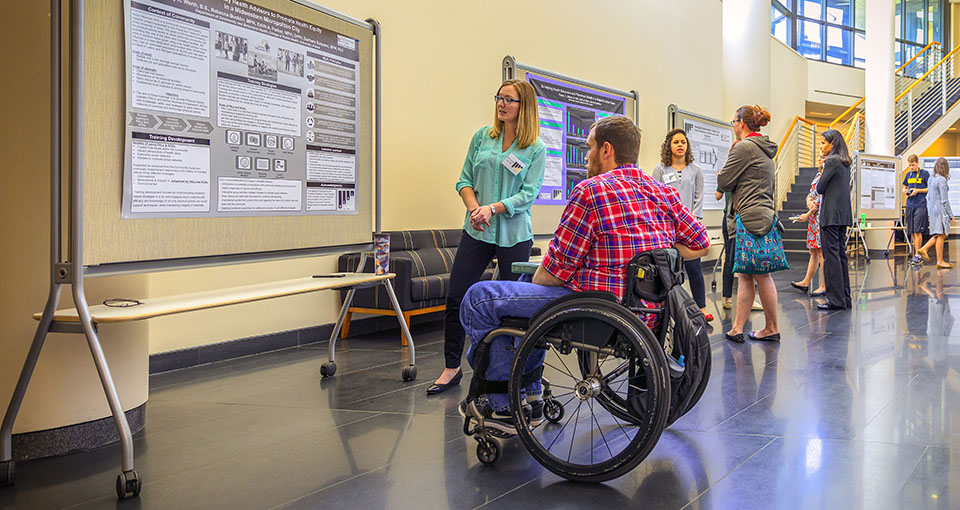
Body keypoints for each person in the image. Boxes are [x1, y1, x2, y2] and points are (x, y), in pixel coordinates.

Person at [456, 115, 710, 430]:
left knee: (479, 298)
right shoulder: (662, 193)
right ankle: (531, 393)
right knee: (519, 288)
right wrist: (658, 252)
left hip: (593, 310)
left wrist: (542, 277)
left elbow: (553, 273)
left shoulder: (591, 191)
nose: (586, 155)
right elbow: (701, 244)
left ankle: (501, 402)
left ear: (606, 150)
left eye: (589, 147)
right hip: (643, 313)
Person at [427, 80, 546, 395]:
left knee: (511, 306)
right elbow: (464, 180)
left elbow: (528, 194)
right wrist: (476, 209)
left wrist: (493, 209)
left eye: (508, 99)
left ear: (525, 107)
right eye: (499, 98)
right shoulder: (482, 137)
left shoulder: (535, 148)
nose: (501, 104)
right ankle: (451, 368)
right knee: (456, 296)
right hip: (476, 228)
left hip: (513, 233)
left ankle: (509, 372)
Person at [717, 105, 781, 343]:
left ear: (741, 123)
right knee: (747, 274)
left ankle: (772, 327)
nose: (732, 126)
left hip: (748, 217)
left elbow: (724, 181)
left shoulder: (744, 147)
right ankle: (737, 328)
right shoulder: (763, 148)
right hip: (761, 214)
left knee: (760, 275)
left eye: (733, 121)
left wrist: (722, 174)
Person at [653, 129, 712, 321]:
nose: (680, 145)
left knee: (694, 268)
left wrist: (691, 223)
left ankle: (701, 309)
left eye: (683, 142)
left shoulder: (695, 171)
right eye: (676, 142)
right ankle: (666, 312)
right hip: (666, 228)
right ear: (669, 146)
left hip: (688, 227)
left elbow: (699, 199)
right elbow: (656, 198)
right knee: (667, 270)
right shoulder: (660, 170)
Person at [815, 129, 853, 311]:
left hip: (830, 215)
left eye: (823, 143)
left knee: (831, 258)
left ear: (832, 144)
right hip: (842, 214)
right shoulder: (845, 162)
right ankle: (845, 298)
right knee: (840, 255)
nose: (821, 147)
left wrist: (822, 171)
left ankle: (835, 300)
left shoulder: (831, 161)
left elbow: (820, 188)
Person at [791, 155, 827, 296]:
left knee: (821, 252)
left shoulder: (827, 176)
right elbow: (811, 194)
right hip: (813, 218)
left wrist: (807, 213)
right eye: (819, 157)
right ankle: (806, 281)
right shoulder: (818, 175)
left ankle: (824, 285)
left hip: (820, 217)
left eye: (823, 157)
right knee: (813, 251)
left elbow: (821, 199)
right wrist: (808, 201)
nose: (819, 159)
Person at [918, 157, 954, 269]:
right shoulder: (942, 180)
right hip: (940, 211)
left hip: (932, 210)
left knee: (941, 234)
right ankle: (937, 258)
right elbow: (944, 200)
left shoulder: (931, 179)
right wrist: (950, 214)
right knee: (941, 234)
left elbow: (928, 196)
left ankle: (926, 250)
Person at [902, 154, 929, 265]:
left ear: (918, 163)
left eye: (913, 165)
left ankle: (918, 255)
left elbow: (929, 188)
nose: (911, 167)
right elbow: (904, 186)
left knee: (917, 231)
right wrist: (905, 190)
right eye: (910, 165)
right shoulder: (908, 174)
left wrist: (918, 190)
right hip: (910, 205)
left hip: (920, 205)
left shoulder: (925, 174)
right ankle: (915, 255)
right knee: (912, 231)